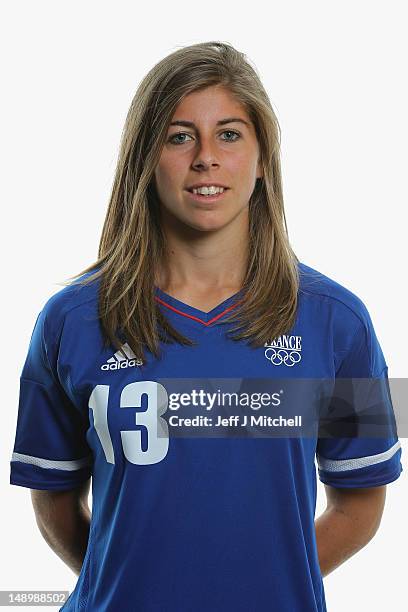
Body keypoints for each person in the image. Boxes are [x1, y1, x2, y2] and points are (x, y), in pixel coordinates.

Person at [10, 41, 402, 612]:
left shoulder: (343, 321)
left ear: (262, 157)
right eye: (178, 135)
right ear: (146, 157)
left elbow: (362, 503)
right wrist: (131, 583)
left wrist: (264, 585)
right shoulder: (68, 319)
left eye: (229, 134)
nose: (205, 158)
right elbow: (52, 498)